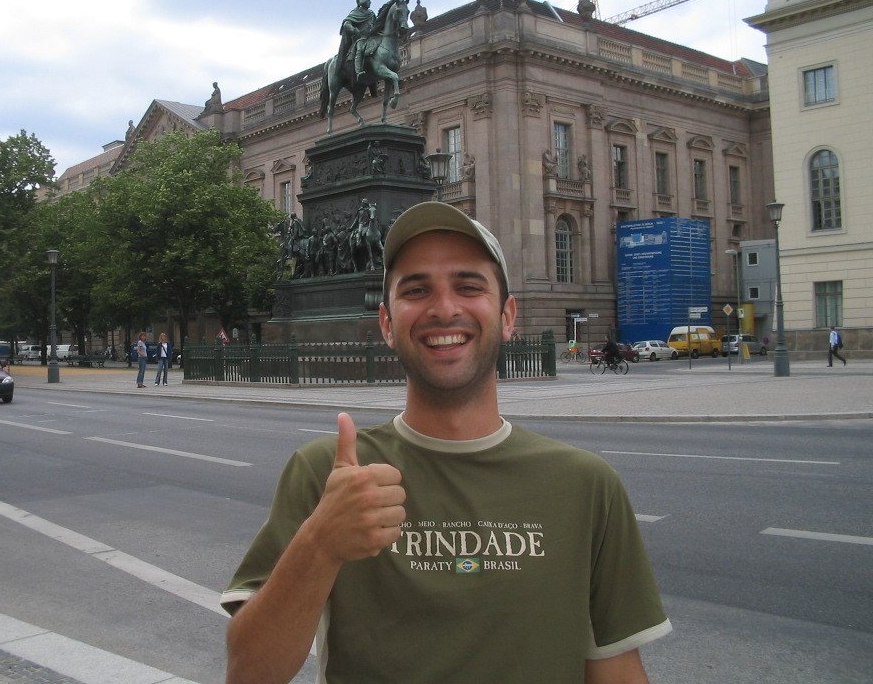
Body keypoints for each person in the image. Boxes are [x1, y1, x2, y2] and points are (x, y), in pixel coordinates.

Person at [223, 201, 671, 683]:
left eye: (469, 286)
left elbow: (617, 670)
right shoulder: (326, 475)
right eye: (416, 290)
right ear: (386, 324)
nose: (444, 308)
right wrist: (319, 544)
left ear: (508, 315)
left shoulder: (586, 485)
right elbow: (249, 674)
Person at [340, 0, 376, 79]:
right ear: (363, 2)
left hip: (371, 38)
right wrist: (354, 30)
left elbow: (376, 24)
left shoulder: (371, 14)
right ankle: (359, 71)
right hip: (360, 38)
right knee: (360, 49)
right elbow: (346, 24)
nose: (370, 2)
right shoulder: (355, 13)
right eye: (368, 1)